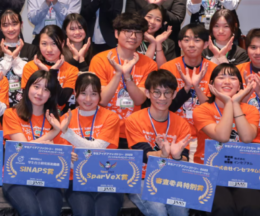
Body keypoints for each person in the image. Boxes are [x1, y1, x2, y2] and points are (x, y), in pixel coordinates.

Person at [191, 64, 260, 216]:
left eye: (232, 78)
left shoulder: (250, 110)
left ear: (240, 86)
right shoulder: (202, 110)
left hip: (241, 170)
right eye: (221, 77)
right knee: (223, 209)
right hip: (210, 172)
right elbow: (222, 137)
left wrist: (234, 103)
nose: (227, 81)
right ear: (211, 84)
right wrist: (227, 102)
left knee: (252, 208)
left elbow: (247, 137)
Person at [125, 70, 195, 216]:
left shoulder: (182, 124)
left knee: (180, 210)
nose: (162, 98)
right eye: (156, 92)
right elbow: (144, 154)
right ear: (147, 93)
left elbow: (184, 158)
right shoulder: (134, 120)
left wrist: (176, 156)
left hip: (170, 177)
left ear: (174, 95)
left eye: (167, 93)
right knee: (158, 210)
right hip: (141, 177)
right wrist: (162, 154)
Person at [54, 72, 123, 216]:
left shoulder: (111, 117)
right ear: (75, 94)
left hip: (107, 178)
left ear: (100, 95)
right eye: (83, 93)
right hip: (76, 179)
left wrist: (69, 134)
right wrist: (69, 160)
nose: (88, 99)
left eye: (94, 94)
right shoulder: (64, 119)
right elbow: (62, 157)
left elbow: (97, 149)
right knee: (84, 212)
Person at [1, 70, 67, 216]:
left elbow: (59, 156)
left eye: (46, 89)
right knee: (31, 211)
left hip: (47, 176)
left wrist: (56, 148)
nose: (40, 93)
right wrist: (53, 133)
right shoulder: (11, 114)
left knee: (50, 212)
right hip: (16, 176)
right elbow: (23, 148)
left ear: (51, 94)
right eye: (36, 86)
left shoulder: (56, 120)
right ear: (28, 87)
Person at [88, 12, 158, 147]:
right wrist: (118, 73)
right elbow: (102, 100)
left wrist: (127, 76)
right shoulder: (100, 60)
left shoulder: (149, 64)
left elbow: (140, 100)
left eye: (138, 32)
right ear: (116, 33)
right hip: (103, 129)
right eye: (128, 31)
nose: (133, 36)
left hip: (133, 130)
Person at [161, 24, 214, 124]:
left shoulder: (214, 69)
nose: (191, 44)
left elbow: (214, 109)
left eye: (197, 40)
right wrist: (187, 87)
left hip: (205, 128)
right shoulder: (167, 68)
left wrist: (196, 87)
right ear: (179, 44)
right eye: (186, 40)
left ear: (206, 44)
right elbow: (164, 105)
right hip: (174, 128)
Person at [22, 25, 80, 103]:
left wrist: (51, 72)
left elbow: (61, 100)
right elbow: (28, 98)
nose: (49, 49)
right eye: (44, 44)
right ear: (39, 44)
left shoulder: (72, 70)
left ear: (62, 44)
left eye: (54, 44)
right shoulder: (30, 67)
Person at [0, 9, 35, 107]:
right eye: (5, 25)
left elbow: (31, 77)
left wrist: (14, 57)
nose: (10, 29)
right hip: (0, 102)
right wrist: (9, 57)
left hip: (26, 104)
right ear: (0, 27)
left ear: (21, 24)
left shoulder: (32, 49)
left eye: (14, 24)